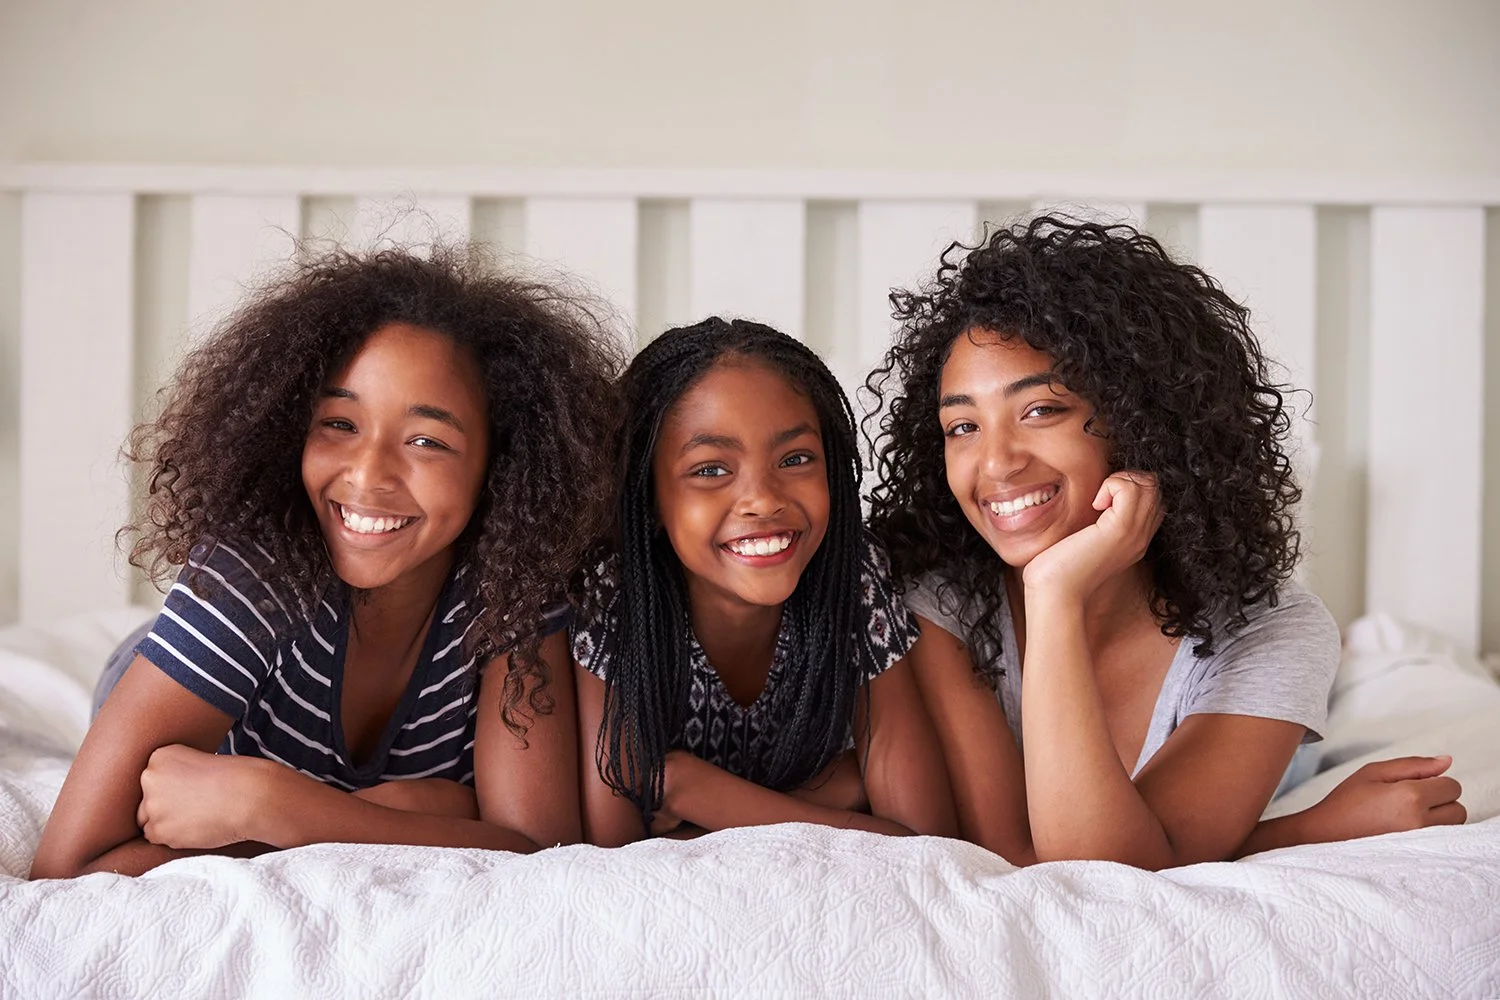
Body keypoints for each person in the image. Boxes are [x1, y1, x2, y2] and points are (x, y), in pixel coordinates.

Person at [866, 216, 1465, 869]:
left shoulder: (1269, 631)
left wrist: (1053, 594)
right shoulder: (939, 603)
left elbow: (1093, 861)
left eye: (1041, 410)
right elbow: (1043, 861)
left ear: (1141, 418)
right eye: (961, 426)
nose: (996, 463)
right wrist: (1304, 831)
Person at [31, 245, 622, 878]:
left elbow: (538, 853)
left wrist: (274, 805)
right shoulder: (254, 573)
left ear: (500, 463)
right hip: (161, 668)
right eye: (339, 423)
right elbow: (68, 866)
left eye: (427, 441)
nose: (368, 475)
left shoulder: (514, 590)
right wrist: (421, 818)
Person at [573, 318, 956, 845]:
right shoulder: (614, 594)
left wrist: (693, 791)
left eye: (795, 459)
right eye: (710, 469)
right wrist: (842, 788)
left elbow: (923, 841)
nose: (763, 499)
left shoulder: (854, 571)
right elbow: (617, 850)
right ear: (649, 497)